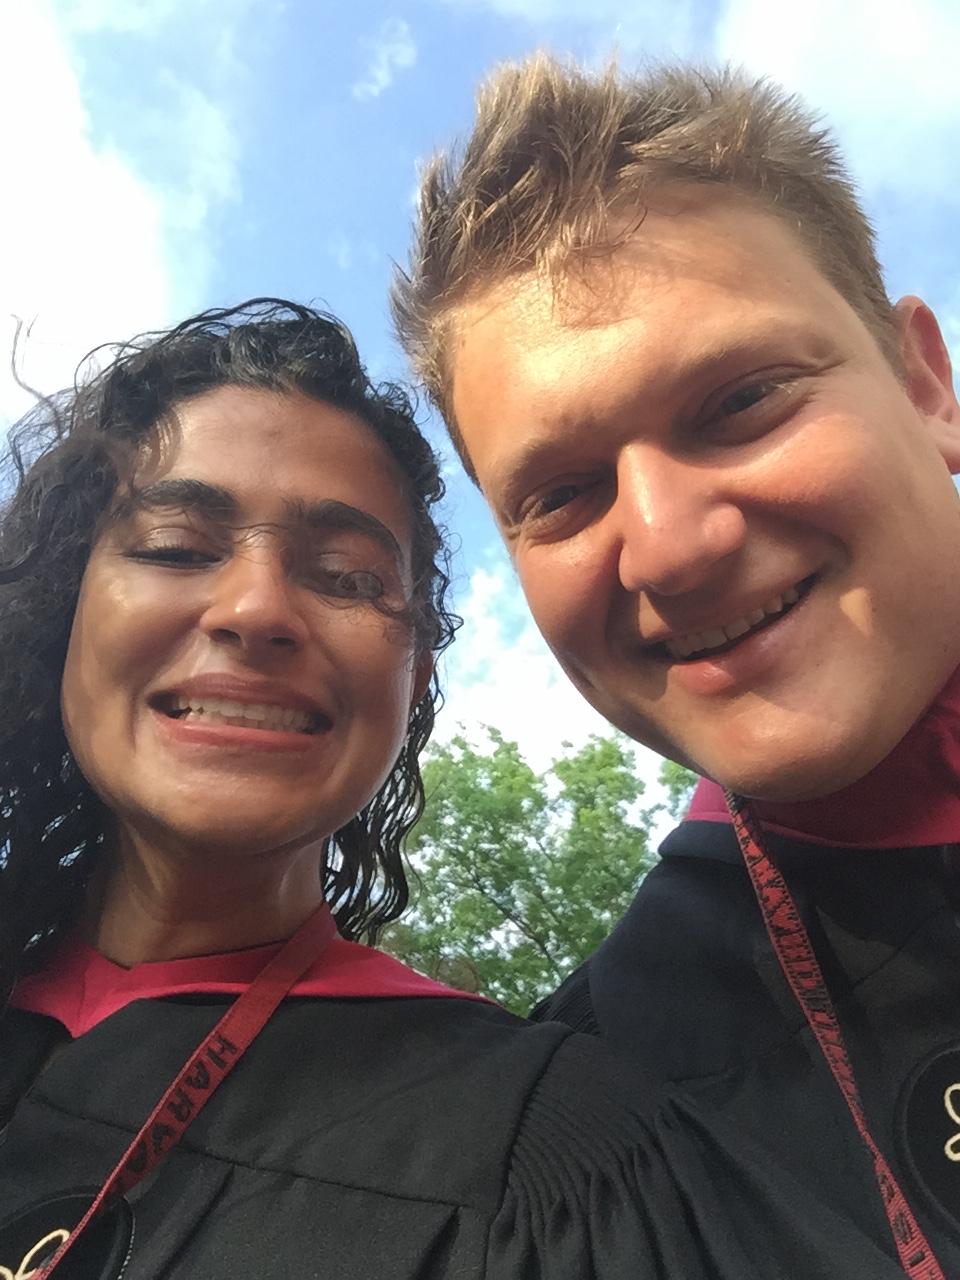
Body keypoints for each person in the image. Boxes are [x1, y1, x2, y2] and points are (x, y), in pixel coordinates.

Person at [0, 298, 740, 1280]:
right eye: (176, 547)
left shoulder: (542, 1148)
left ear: (414, 678)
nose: (257, 607)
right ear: (66, 614)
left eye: (347, 577)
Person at [393, 56, 960, 1278]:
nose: (667, 545)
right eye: (561, 493)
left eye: (743, 400)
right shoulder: (587, 1123)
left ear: (926, 384)